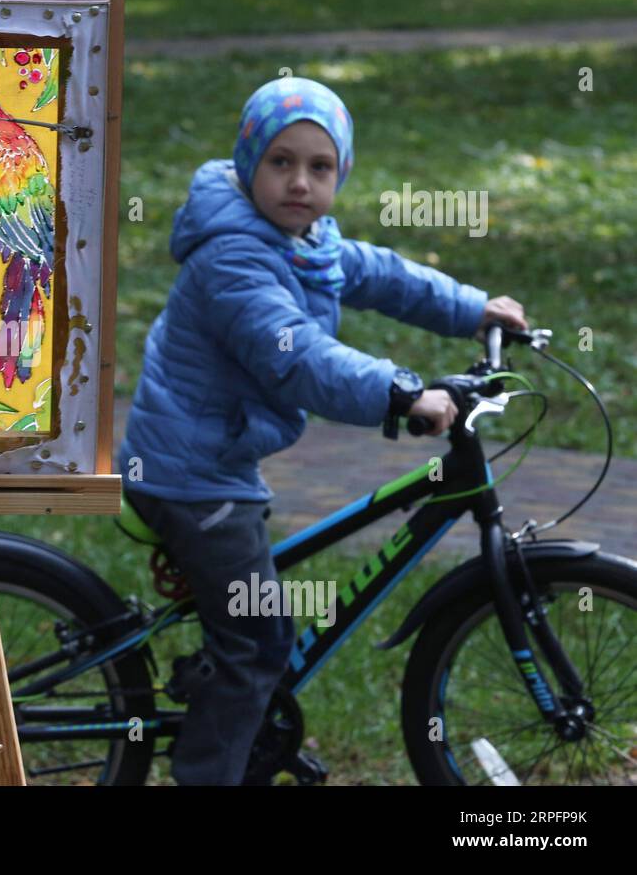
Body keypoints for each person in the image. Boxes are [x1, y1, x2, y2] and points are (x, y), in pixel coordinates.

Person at [118, 76, 528, 786]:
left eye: (320, 166)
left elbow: (382, 275)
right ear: (250, 165)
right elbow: (299, 357)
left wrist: (473, 310)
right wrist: (402, 393)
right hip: (189, 473)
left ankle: (223, 710)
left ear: (340, 173)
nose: (300, 182)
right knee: (258, 637)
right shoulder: (233, 256)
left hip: (216, 456)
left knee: (245, 620)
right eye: (281, 163)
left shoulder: (302, 240)